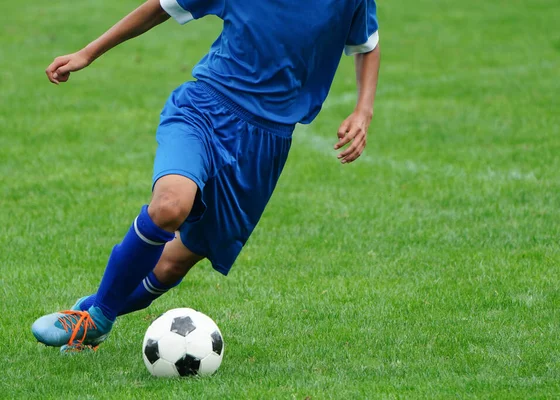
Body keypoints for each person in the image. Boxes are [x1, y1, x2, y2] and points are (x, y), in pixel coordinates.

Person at [32, 0, 380, 352]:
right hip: (206, 109)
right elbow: (162, 6)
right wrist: (88, 53)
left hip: (265, 145)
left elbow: (367, 43)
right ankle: (98, 318)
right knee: (170, 205)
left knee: (170, 266)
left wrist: (363, 110)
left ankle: (91, 310)